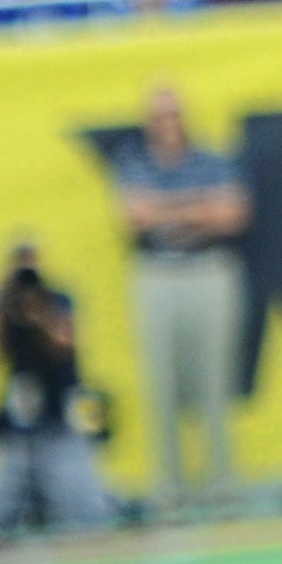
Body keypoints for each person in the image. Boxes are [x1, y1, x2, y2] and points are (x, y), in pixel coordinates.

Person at [104, 84, 248, 513]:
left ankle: (221, 478)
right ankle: (169, 484)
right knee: (161, 380)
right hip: (158, 270)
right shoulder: (134, 163)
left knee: (215, 377)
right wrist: (197, 208)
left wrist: (167, 210)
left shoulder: (211, 160)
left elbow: (232, 214)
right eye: (160, 116)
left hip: (207, 267)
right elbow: (134, 216)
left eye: (174, 115)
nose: (168, 124)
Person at [0, 244, 106, 538]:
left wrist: (39, 311)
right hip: (19, 424)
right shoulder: (5, 308)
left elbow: (65, 342)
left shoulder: (57, 301)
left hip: (60, 421)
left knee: (87, 512)